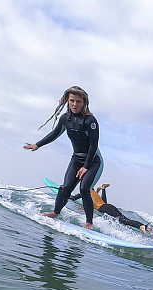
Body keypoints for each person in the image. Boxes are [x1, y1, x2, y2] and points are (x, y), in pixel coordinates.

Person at [23, 86, 102, 230]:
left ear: (84, 102)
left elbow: (94, 145)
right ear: (67, 100)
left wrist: (85, 166)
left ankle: (89, 222)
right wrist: (37, 145)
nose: (74, 104)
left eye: (78, 101)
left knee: (84, 188)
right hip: (76, 158)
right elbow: (55, 133)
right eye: (72, 100)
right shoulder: (65, 118)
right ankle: (55, 212)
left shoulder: (90, 120)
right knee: (65, 187)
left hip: (92, 161)